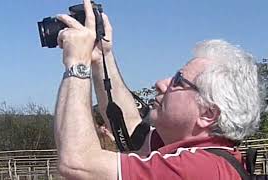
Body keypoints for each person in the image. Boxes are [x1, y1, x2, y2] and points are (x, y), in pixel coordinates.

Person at [53, 0, 263, 179]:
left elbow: (77, 162)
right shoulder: (194, 150)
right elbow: (133, 136)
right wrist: (101, 57)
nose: (161, 83)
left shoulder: (199, 169)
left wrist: (77, 65)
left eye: (178, 81)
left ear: (208, 113)